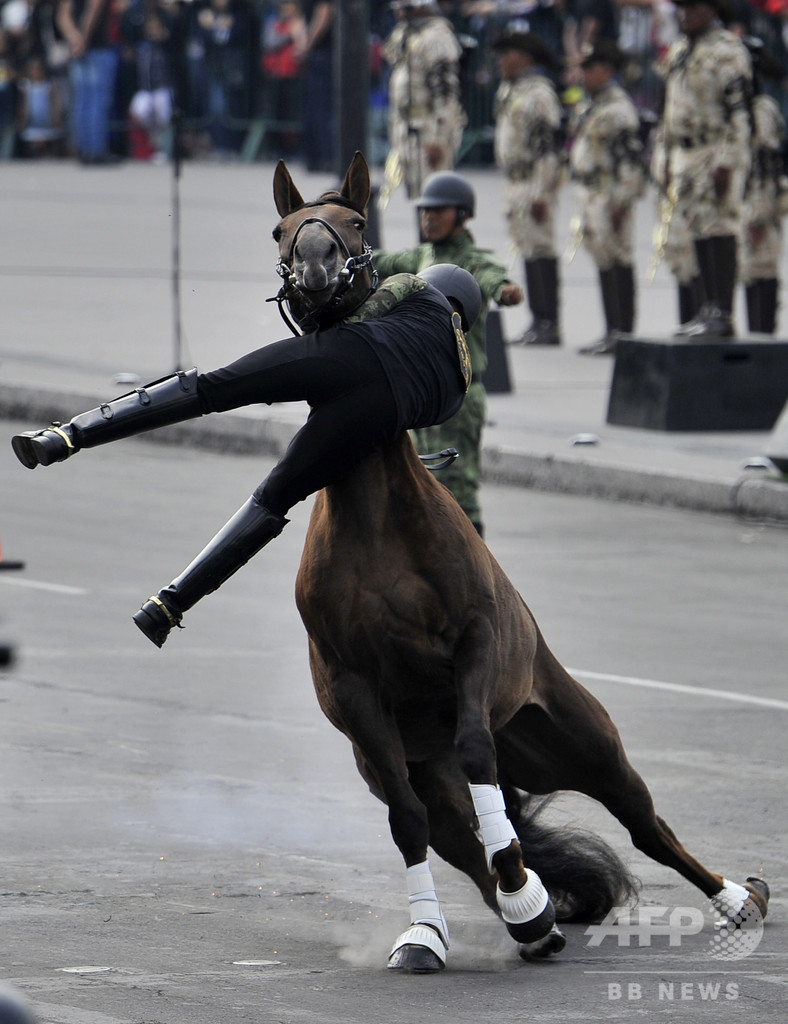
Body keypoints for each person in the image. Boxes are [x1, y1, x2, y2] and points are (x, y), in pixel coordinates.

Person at [11, 243, 481, 649]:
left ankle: (67, 436)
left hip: (348, 357)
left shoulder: (415, 290)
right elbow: (407, 426)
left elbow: (350, 315)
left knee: (214, 389)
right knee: (273, 497)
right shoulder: (458, 391)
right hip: (370, 420)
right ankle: (168, 607)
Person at [373, 171, 523, 536]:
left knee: (458, 493)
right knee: (411, 487)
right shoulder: (420, 255)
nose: (429, 218)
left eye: (439, 212)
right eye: (425, 212)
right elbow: (377, 262)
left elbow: (493, 277)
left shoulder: (471, 261)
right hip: (419, 394)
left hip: (460, 395)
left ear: (462, 215)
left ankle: (472, 572)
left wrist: (505, 290)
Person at [656, 0, 753, 338]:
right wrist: (666, 158)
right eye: (681, 9)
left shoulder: (727, 51)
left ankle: (722, 313)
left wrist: (728, 160)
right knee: (697, 228)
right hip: (686, 151)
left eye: (693, 8)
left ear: (711, 11)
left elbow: (740, 113)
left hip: (714, 149)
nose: (685, 15)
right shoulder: (681, 49)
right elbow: (668, 107)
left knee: (719, 227)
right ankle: (706, 308)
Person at [569, 40, 645, 355]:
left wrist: (622, 199)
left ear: (606, 71)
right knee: (602, 258)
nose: (583, 75)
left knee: (618, 259)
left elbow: (630, 159)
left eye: (590, 69)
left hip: (611, 192)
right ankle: (611, 329)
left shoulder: (618, 109)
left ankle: (623, 332)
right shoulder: (592, 105)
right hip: (591, 191)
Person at [492, 30, 564, 346]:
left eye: (507, 55)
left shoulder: (538, 95)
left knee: (541, 247)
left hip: (533, 180)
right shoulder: (511, 91)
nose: (500, 62)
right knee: (528, 247)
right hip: (516, 179)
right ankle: (538, 320)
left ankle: (549, 322)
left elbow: (547, 148)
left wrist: (541, 191)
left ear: (524, 60)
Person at [382, 0, 466, 199]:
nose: (399, 14)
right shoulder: (405, 32)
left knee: (434, 194)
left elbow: (446, 94)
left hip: (429, 126)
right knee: (416, 194)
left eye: (405, 9)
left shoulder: (437, 36)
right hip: (407, 125)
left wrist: (439, 138)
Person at [740, 36, 786, 335]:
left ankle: (763, 339)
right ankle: (754, 335)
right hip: (743, 200)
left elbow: (765, 165)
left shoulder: (762, 110)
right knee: (748, 269)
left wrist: (758, 212)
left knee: (763, 266)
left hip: (763, 201)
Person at [56, 0, 120, 164]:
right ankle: (96, 150)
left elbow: (63, 16)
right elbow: (94, 6)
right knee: (97, 102)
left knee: (81, 101)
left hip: (77, 51)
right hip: (96, 48)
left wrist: (73, 38)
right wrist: (83, 38)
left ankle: (83, 149)